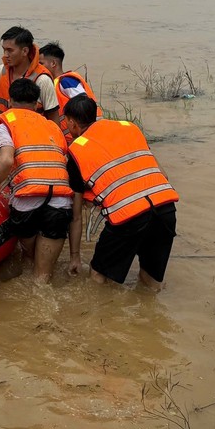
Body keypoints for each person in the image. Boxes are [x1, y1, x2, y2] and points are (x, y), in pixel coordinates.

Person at [0, 78, 73, 283]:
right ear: (37, 103)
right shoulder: (53, 127)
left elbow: (5, 160)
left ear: (11, 100)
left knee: (28, 259)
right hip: (60, 200)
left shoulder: (7, 123)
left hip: (27, 200)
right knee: (43, 277)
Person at [63, 94, 179, 291]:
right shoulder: (129, 128)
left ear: (73, 124)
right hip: (166, 209)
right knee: (150, 282)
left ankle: (98, 318)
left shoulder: (76, 152)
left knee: (98, 275)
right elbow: (163, 174)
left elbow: (75, 216)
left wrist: (75, 256)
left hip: (129, 216)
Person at [0, 26, 58, 145]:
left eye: (10, 50)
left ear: (25, 51)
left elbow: (54, 119)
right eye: (4, 50)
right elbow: (1, 107)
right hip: (6, 137)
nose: (5, 55)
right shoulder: (2, 71)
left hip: (33, 140)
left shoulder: (42, 80)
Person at [39, 42, 102, 143]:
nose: (38, 68)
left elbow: (84, 106)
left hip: (82, 136)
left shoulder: (66, 81)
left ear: (53, 63)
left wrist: (79, 137)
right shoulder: (55, 83)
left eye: (41, 64)